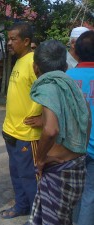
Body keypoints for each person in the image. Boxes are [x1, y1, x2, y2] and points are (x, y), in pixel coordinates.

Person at [27, 40, 89, 225]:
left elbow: (51, 129)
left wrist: (40, 159)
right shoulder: (71, 85)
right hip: (76, 165)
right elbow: (86, 119)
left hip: (58, 172)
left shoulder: (48, 85)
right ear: (64, 64)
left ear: (35, 66)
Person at [0, 22, 42, 219]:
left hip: (27, 134)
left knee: (29, 178)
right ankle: (21, 206)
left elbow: (46, 92)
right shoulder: (19, 60)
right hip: (11, 130)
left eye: (13, 39)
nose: (9, 43)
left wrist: (41, 116)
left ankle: (37, 217)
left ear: (26, 41)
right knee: (16, 174)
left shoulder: (35, 62)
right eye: (8, 39)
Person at [67, 30, 94, 225]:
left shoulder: (67, 76)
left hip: (72, 145)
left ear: (75, 50)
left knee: (76, 191)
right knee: (90, 194)